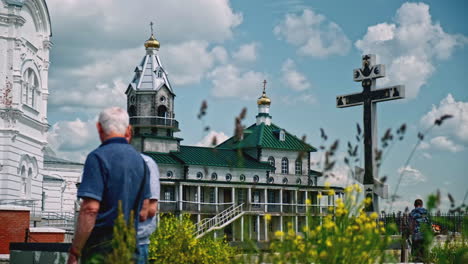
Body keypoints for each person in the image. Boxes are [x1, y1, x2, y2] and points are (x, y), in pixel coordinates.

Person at [67, 107, 154, 264]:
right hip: (130, 249)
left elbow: (90, 209)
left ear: (99, 128)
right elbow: (144, 211)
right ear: (128, 130)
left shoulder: (97, 158)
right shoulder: (141, 162)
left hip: (100, 251)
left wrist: (76, 250)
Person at [137, 154, 160, 264]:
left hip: (137, 243)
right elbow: (151, 209)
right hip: (138, 242)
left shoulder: (98, 158)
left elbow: (150, 209)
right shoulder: (146, 162)